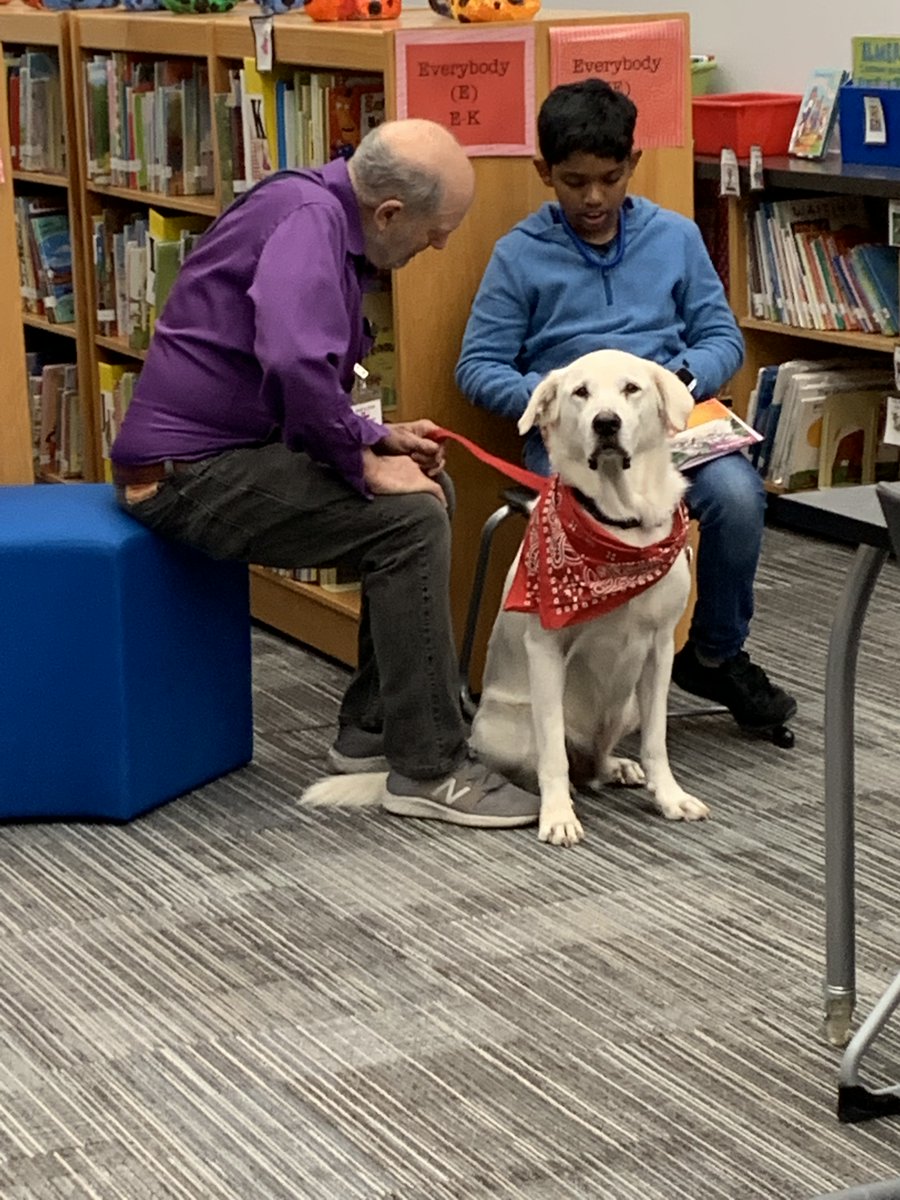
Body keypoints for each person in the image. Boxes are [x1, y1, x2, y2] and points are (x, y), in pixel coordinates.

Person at [111, 118, 539, 829]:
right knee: (408, 520)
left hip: (224, 452)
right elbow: (292, 363)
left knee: (427, 486)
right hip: (181, 476)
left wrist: (377, 437)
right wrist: (361, 462)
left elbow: (280, 380)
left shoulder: (313, 208)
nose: (438, 246)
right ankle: (430, 767)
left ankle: (373, 730)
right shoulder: (310, 220)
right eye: (436, 231)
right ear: (389, 213)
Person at [455, 79, 797, 733]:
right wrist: (556, 400)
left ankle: (715, 655)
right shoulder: (519, 255)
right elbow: (477, 367)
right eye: (574, 182)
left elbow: (721, 337)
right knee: (596, 517)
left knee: (737, 497)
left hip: (662, 429)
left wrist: (680, 385)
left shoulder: (674, 238)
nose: (593, 198)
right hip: (576, 438)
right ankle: (584, 682)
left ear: (632, 164)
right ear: (544, 172)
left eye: (610, 179)